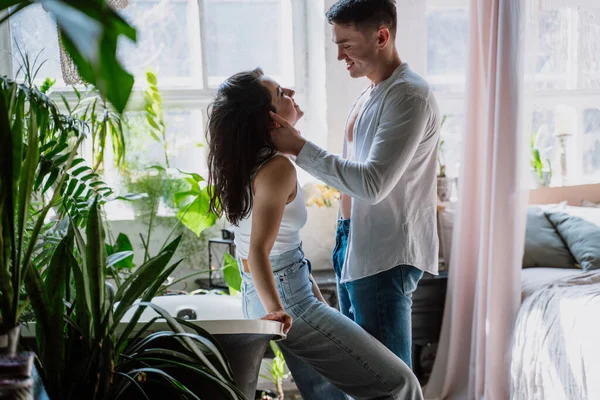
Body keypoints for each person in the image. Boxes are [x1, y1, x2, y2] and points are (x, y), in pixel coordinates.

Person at [206, 68, 423, 400]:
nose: (290, 92)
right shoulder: (277, 168)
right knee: (400, 384)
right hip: (284, 299)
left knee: (327, 396)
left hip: (265, 292)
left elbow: (268, 252)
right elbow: (259, 251)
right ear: (271, 121)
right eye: (280, 93)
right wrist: (277, 309)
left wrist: (299, 301)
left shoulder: (246, 165)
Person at [270, 0, 441, 370]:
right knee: (362, 376)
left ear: (381, 37)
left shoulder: (409, 96)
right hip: (353, 242)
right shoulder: (372, 92)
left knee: (384, 381)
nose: (339, 56)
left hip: (384, 251)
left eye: (346, 44)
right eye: (336, 44)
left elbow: (372, 184)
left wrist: (298, 147)